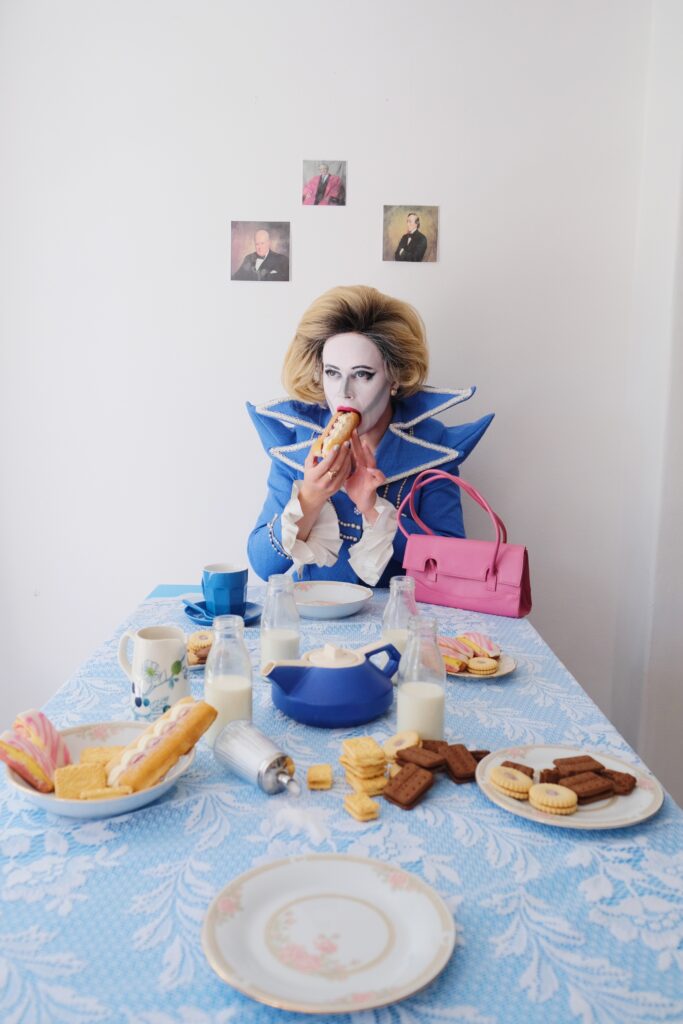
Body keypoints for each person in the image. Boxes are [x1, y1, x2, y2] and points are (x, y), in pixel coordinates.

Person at [247, 285, 493, 586]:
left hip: (399, 622)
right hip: (316, 622)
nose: (344, 392)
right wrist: (310, 498)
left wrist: (372, 509)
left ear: (394, 378)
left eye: (362, 374)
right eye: (332, 373)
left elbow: (454, 572)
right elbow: (262, 565)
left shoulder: (431, 447)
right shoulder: (300, 444)